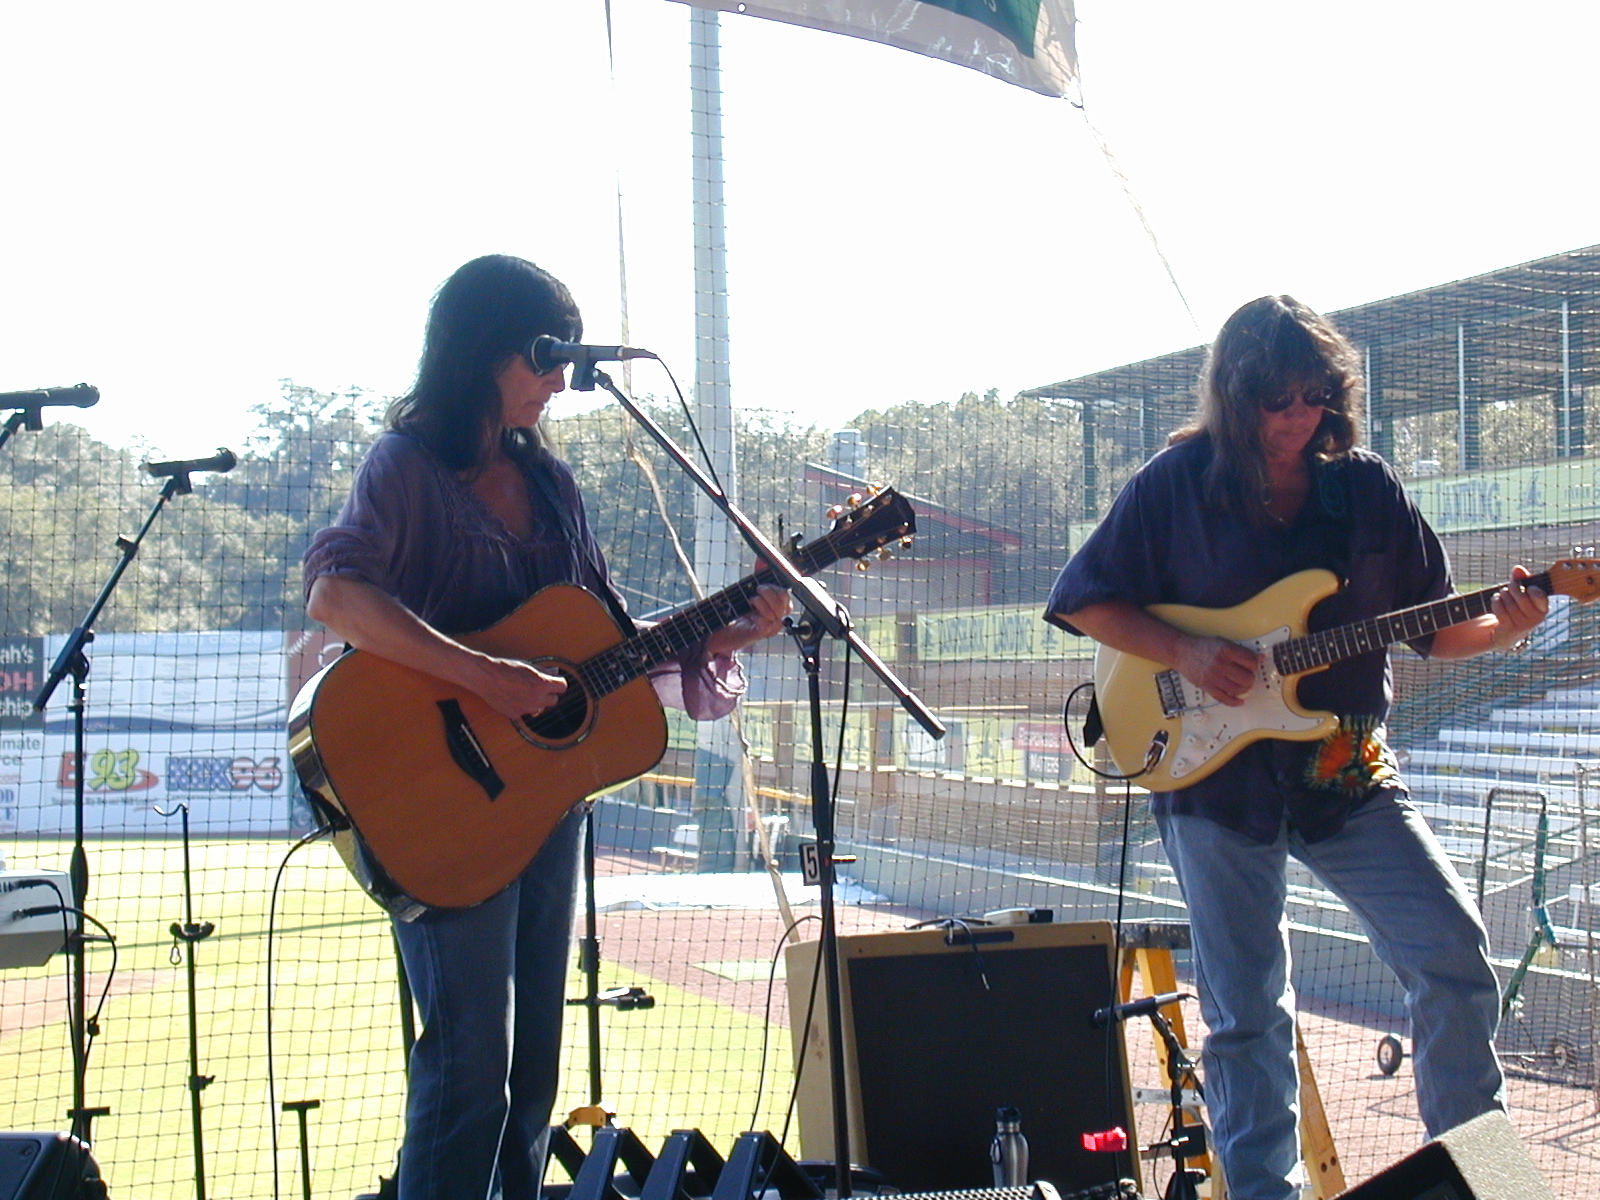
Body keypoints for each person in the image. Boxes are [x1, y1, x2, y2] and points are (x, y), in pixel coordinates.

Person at [302, 254, 789, 1200]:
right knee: (469, 1069)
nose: (562, 380)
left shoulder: (553, 483)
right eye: (545, 355)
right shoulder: (406, 466)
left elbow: (605, 650)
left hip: (545, 805)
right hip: (443, 804)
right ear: (481, 351)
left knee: (533, 1079)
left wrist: (732, 627)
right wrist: (487, 676)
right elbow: (337, 595)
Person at [1044, 295, 1547, 1200]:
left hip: (1345, 774)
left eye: (1314, 394)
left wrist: (1507, 627)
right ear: (1236, 395)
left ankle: (1491, 1184)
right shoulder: (1175, 483)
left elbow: (1435, 631)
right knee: (1248, 1016)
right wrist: (1186, 652)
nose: (1298, 416)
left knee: (1455, 955)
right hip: (1213, 785)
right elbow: (1082, 599)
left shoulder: (1365, 488)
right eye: (1277, 398)